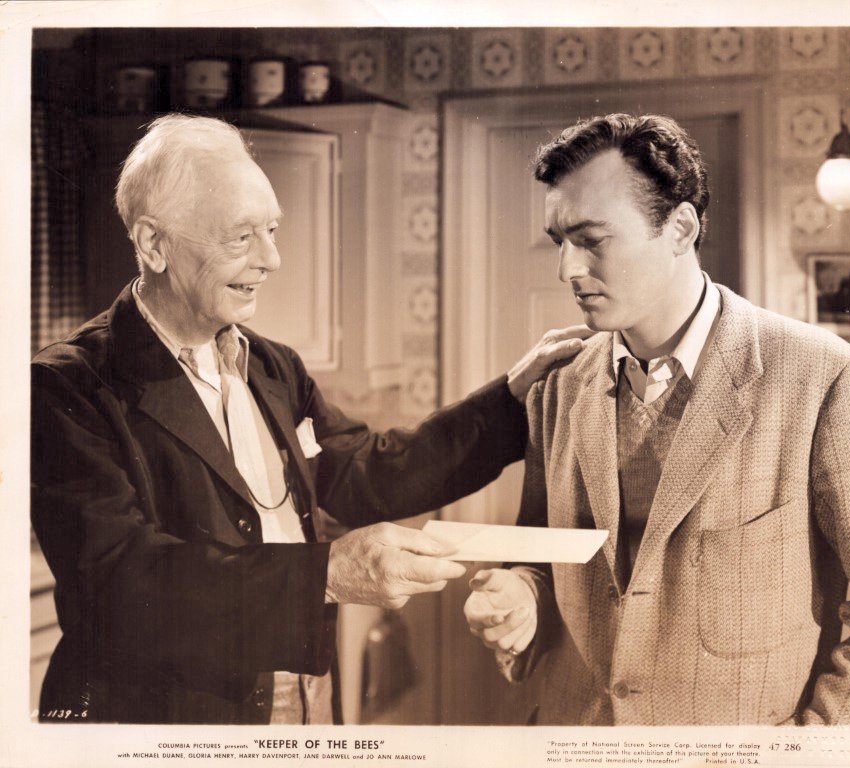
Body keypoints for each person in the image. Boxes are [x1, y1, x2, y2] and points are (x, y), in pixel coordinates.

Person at [30, 114, 588, 724]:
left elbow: (371, 473)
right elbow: (121, 585)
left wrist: (512, 400)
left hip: (305, 693)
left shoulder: (273, 366)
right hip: (176, 719)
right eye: (241, 237)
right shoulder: (67, 386)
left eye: (271, 230)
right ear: (153, 244)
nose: (271, 259)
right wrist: (327, 575)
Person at [464, 113, 850, 726]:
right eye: (560, 241)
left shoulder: (828, 381)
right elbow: (547, 560)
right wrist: (522, 596)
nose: (567, 270)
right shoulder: (557, 386)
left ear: (681, 228)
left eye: (592, 240)